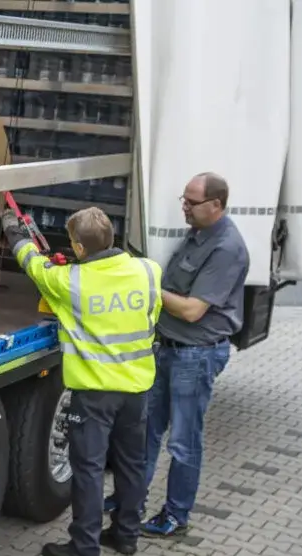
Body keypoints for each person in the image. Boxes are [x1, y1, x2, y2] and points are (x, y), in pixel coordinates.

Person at [2, 206, 162, 556]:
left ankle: (85, 548)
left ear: (78, 247)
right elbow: (152, 317)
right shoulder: (148, 272)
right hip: (137, 389)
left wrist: (15, 231)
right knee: (131, 466)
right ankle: (126, 535)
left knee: (88, 470)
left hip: (94, 394)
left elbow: (32, 263)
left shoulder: (69, 281)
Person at [104, 172, 249, 537]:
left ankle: (176, 514)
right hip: (167, 350)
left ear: (216, 205)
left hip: (195, 356)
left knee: (183, 441)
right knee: (147, 431)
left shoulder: (226, 248)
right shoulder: (197, 233)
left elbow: (191, 311)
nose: (184, 207)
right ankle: (130, 500)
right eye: (183, 200)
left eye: (191, 202)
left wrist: (144, 285)